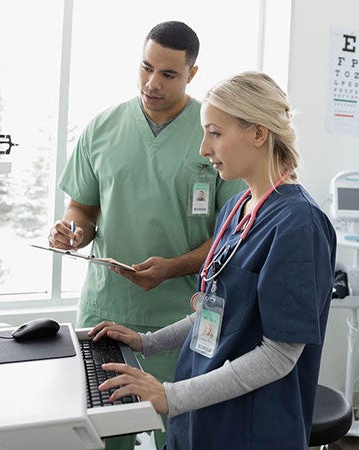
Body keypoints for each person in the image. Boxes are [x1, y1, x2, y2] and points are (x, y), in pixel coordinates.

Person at [89, 71, 337, 449]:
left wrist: (171, 396)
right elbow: (216, 309)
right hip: (201, 413)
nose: (204, 149)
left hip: (250, 428)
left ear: (258, 133)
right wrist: (147, 342)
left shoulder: (298, 225)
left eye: (215, 133)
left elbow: (278, 357)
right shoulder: (236, 210)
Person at [49, 21, 245, 450]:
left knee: (179, 436)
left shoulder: (212, 133)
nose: (152, 83)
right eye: (145, 68)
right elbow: (83, 206)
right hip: (108, 310)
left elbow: (233, 233)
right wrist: (74, 232)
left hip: (185, 317)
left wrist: (173, 267)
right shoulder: (102, 127)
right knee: (105, 434)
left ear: (192, 74)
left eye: (169, 74)